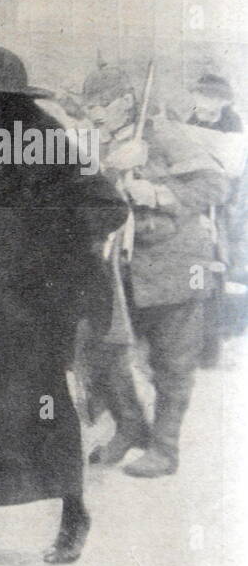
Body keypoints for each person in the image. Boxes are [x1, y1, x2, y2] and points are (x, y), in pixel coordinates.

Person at [0, 45, 128, 564]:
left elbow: (106, 207)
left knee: (40, 410)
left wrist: (41, 245)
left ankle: (73, 512)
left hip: (31, 309)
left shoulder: (40, 139)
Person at [81, 65, 229, 477]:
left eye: (102, 105)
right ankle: (130, 428)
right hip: (118, 268)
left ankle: (164, 451)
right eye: (88, 105)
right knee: (102, 354)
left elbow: (216, 186)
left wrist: (158, 191)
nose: (94, 113)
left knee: (172, 363)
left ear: (126, 103)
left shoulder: (164, 134)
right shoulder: (97, 141)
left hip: (172, 267)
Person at [185, 73, 243, 368]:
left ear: (222, 100)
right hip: (195, 207)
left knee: (211, 277)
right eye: (200, 98)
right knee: (192, 277)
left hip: (217, 210)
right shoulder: (193, 120)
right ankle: (192, 344)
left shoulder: (231, 125)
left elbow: (230, 166)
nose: (204, 105)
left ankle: (209, 347)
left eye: (210, 99)